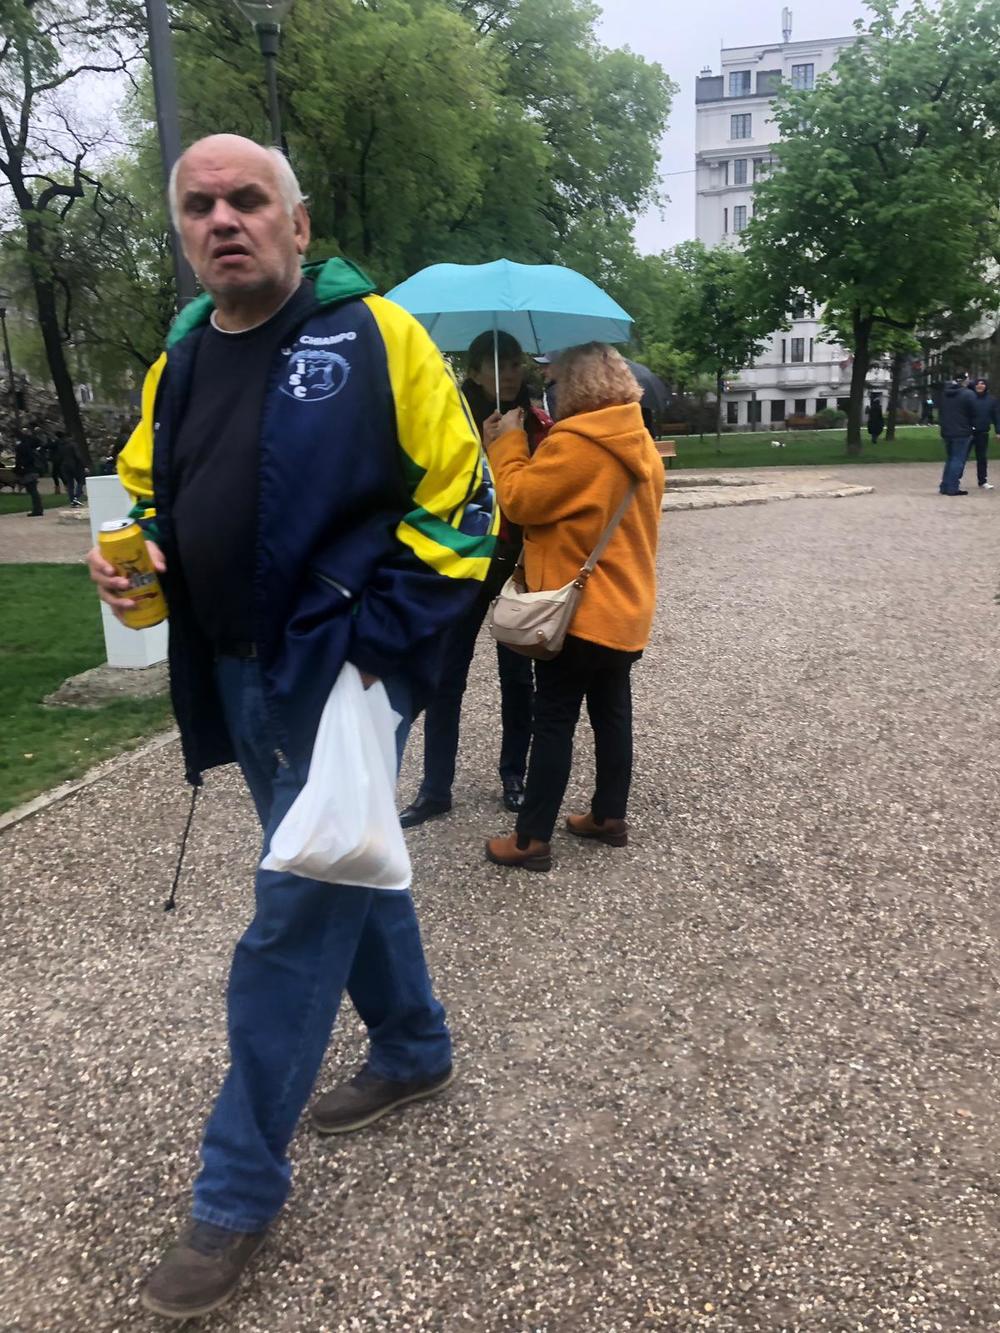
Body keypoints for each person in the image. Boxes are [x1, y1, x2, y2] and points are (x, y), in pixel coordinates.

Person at [86, 134, 495, 1321]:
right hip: (235, 672)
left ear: (297, 224)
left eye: (248, 199)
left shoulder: (377, 337)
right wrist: (135, 563)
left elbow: (463, 508)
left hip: (342, 676)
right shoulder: (177, 361)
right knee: (339, 859)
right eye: (199, 205)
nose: (224, 219)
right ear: (183, 231)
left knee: (293, 914)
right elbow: (147, 493)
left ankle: (236, 1188)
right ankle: (412, 1046)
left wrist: (377, 654)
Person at [483, 343, 664, 872]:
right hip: (625, 608)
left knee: (554, 720)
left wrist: (507, 443)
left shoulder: (577, 445)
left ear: (576, 386)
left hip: (578, 612)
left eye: (556, 381)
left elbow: (520, 500)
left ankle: (531, 839)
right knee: (612, 715)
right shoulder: (641, 444)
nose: (552, 390)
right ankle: (608, 816)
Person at [399, 331, 549, 828]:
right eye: (498, 364)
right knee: (446, 677)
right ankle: (434, 788)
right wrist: (483, 448)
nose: (509, 373)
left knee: (517, 678)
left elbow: (538, 488)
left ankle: (514, 775)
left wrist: (517, 444)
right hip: (464, 560)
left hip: (514, 560)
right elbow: (436, 479)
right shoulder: (455, 416)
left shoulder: (536, 421)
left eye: (515, 363)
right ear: (476, 371)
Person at [938, 371, 978, 496]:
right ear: (965, 380)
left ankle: (945, 485)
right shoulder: (968, 394)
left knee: (951, 458)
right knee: (958, 460)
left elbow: (941, 411)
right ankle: (952, 487)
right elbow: (974, 412)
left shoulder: (945, 393)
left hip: (947, 430)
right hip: (962, 430)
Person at [969, 377, 997, 490]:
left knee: (982, 458)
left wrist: (998, 431)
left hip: (982, 432)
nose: (980, 386)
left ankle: (982, 481)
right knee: (961, 457)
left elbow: (996, 416)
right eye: (978, 384)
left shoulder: (991, 400)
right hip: (968, 432)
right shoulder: (969, 398)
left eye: (982, 384)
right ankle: (955, 479)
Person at [14, 423, 43, 517]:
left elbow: (20, 459)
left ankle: (37, 509)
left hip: (28, 470)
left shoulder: (21, 446)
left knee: (32, 489)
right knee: (32, 489)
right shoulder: (28, 445)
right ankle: (38, 508)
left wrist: (20, 466)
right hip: (32, 469)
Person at [54, 429, 86, 506]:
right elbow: (78, 456)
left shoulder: (60, 446)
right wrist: (84, 465)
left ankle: (72, 500)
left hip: (64, 466)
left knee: (70, 484)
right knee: (80, 481)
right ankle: (76, 497)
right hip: (74, 465)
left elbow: (59, 457)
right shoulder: (72, 445)